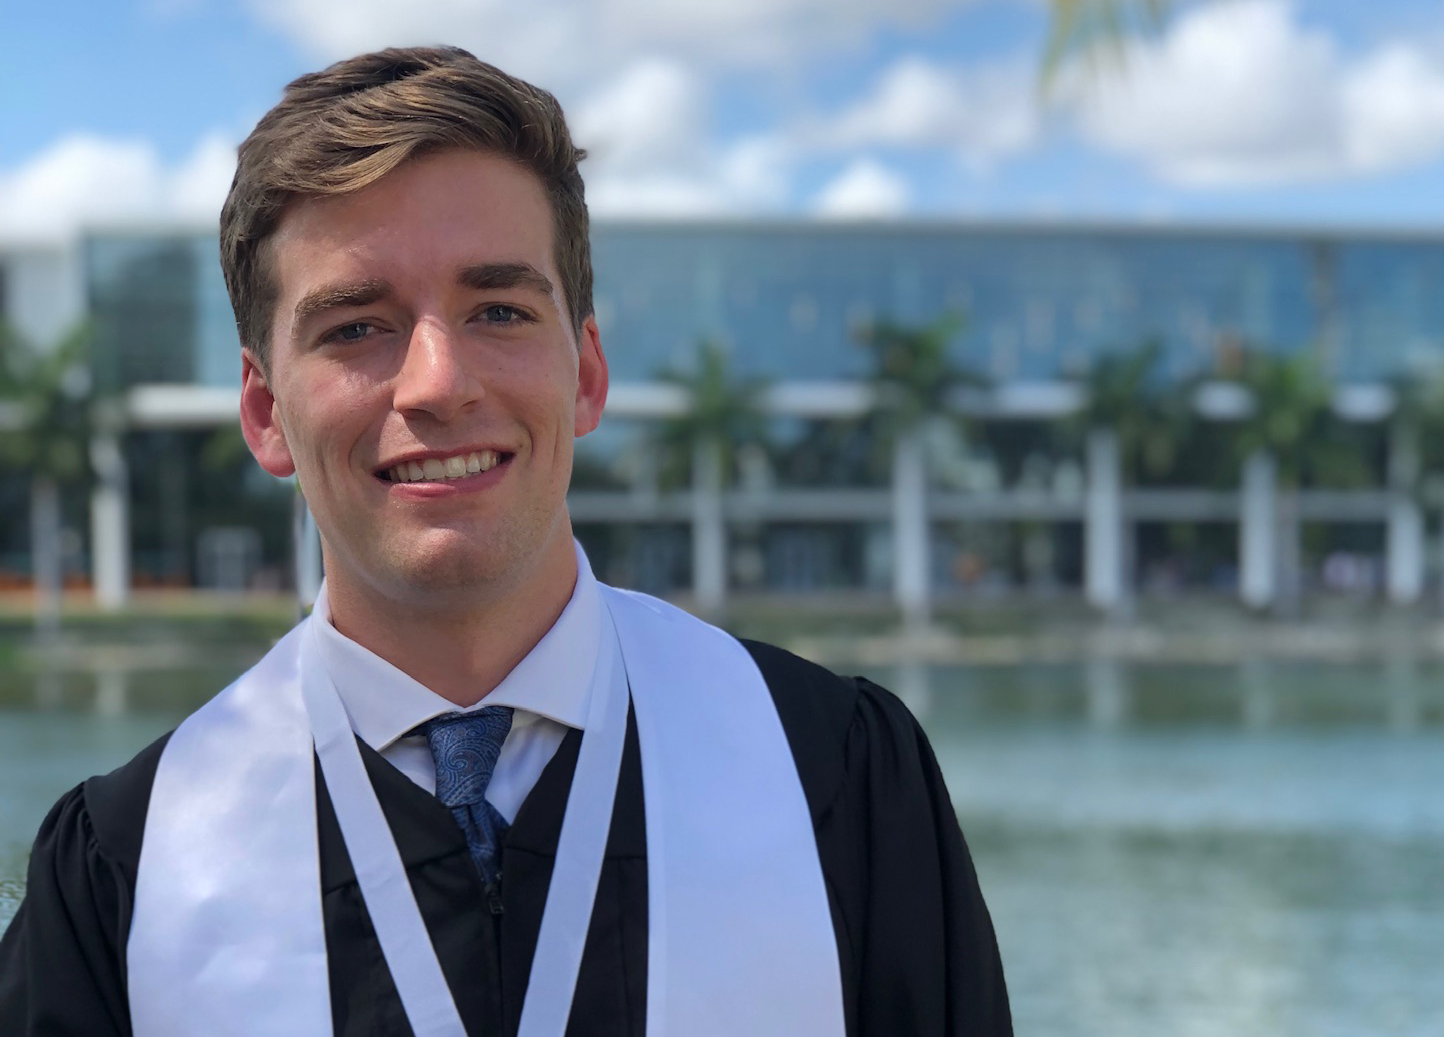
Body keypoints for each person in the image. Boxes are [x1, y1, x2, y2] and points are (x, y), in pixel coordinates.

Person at [0, 46, 1011, 1036]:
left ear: (585, 373)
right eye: (356, 326)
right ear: (266, 412)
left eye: (498, 308)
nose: (438, 381)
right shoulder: (130, 869)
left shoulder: (830, 772)